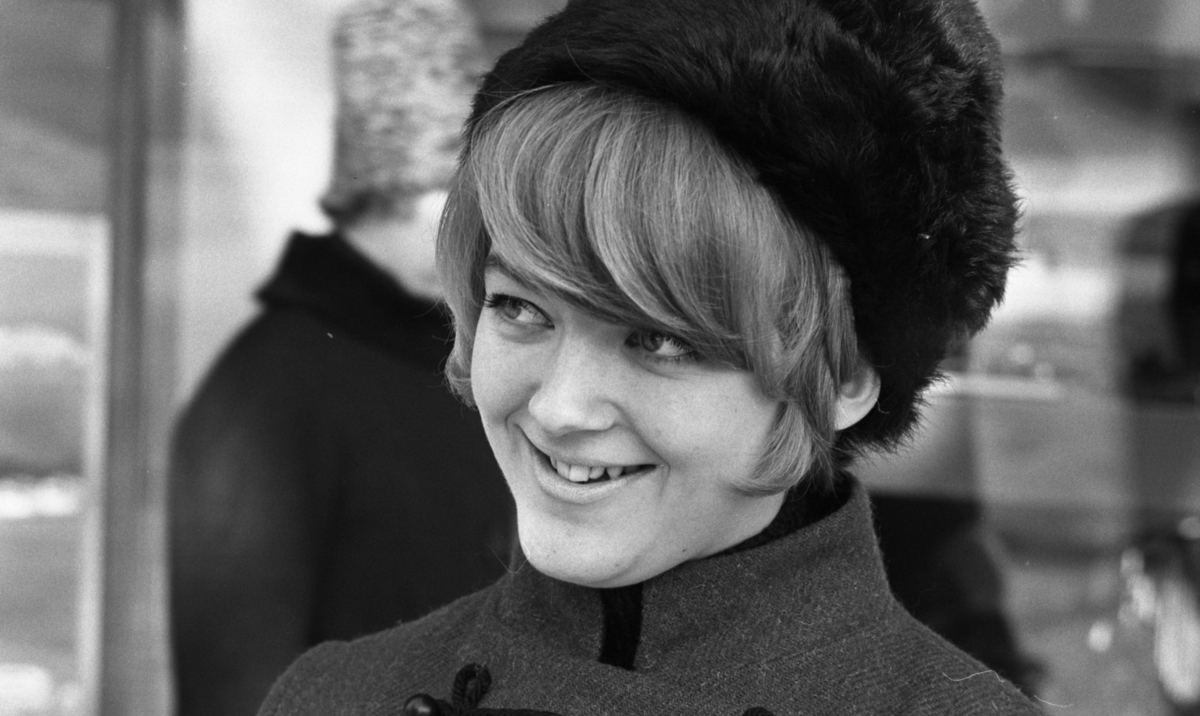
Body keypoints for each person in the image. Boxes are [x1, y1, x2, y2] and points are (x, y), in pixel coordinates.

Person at [257, 0, 1044, 713]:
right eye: (520, 308)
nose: (560, 408)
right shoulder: (332, 699)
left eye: (659, 340)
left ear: (843, 376)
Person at [168, 2, 513, 715]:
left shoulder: (466, 355)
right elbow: (237, 689)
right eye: (472, 199)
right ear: (412, 191)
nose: (490, 233)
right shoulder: (267, 391)